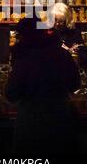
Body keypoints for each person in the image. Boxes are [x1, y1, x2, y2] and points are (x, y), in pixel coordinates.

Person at [6, 17, 81, 154]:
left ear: (26, 36)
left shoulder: (25, 59)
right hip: (60, 118)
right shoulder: (62, 55)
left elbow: (11, 93)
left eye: (19, 36)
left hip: (31, 121)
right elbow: (75, 84)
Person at [50, 2, 87, 71]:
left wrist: (75, 53)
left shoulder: (74, 33)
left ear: (67, 21)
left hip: (70, 71)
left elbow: (86, 57)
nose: (57, 24)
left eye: (60, 21)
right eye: (55, 20)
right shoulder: (47, 33)